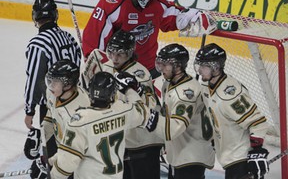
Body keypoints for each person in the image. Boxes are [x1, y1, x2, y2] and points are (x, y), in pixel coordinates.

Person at [82, 0, 216, 79]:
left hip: (149, 70)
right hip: (119, 70)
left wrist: (192, 16)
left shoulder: (157, 2)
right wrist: (95, 64)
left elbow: (175, 18)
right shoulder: (113, 2)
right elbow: (94, 37)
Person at [82, 29, 164, 179]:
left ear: (130, 52)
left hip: (144, 141)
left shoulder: (140, 73)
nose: (114, 57)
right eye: (111, 52)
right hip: (123, 141)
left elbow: (149, 106)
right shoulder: (106, 67)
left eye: (120, 54)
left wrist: (136, 89)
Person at [47, 71, 149, 178]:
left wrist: (53, 174)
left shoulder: (81, 120)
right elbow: (144, 113)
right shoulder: (122, 110)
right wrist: (129, 90)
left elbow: (68, 161)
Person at [193, 43, 269, 179]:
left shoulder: (231, 95)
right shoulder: (206, 85)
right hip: (228, 156)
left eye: (203, 66)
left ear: (215, 67)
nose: (199, 70)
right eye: (199, 65)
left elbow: (258, 122)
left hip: (241, 158)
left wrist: (257, 152)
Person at [145, 43, 215, 179]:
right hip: (180, 151)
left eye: (165, 65)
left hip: (191, 156)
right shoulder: (169, 83)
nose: (161, 68)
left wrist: (145, 116)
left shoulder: (185, 94)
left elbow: (173, 129)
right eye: (160, 64)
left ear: (177, 66)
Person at [24, 0, 81, 157]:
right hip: (75, 102)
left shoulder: (38, 44)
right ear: (55, 15)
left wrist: (30, 111)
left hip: (51, 108)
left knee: (52, 152)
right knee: (72, 147)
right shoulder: (69, 37)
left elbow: (34, 79)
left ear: (35, 17)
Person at [26, 59, 90, 179]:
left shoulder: (78, 115)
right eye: (49, 81)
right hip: (65, 151)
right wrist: (42, 132)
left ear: (68, 84)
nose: (50, 85)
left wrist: (49, 162)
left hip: (80, 163)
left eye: (55, 82)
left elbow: (73, 151)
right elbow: (52, 113)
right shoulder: (54, 92)